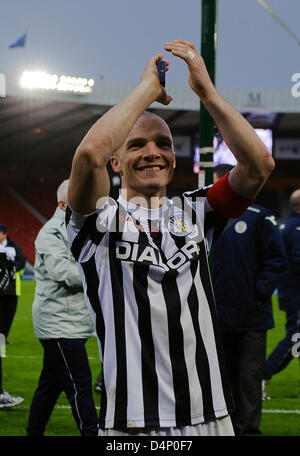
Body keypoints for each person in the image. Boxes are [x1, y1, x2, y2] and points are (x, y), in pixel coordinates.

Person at [66, 39, 275, 437]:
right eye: (137, 144)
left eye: (163, 144)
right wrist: (148, 89)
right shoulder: (97, 219)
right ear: (116, 161)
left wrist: (207, 93)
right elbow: (88, 154)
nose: (152, 152)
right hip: (133, 424)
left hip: (211, 416)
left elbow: (259, 164)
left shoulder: (196, 213)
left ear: (174, 159)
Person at [212, 164, 286, 436]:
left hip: (252, 315)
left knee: (248, 377)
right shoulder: (210, 218)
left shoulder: (259, 216)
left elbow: (276, 260)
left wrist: (258, 294)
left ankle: (249, 429)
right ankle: (228, 427)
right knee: (223, 377)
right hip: (218, 314)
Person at [26, 180, 98, 436]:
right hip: (59, 324)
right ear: (62, 204)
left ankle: (33, 433)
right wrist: (98, 272)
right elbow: (65, 274)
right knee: (80, 385)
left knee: (49, 387)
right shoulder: (52, 233)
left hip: (70, 322)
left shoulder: (79, 227)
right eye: (79, 198)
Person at [263, 189, 300, 394]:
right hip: (296, 295)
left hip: (290, 292)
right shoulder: (296, 229)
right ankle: (263, 374)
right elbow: (297, 261)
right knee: (295, 339)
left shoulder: (290, 226)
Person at [0, 241, 24, 408]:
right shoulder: (3, 252)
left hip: (6, 302)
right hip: (3, 302)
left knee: (0, 347)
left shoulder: (4, 251)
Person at [0, 224, 26, 342]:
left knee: (9, 314)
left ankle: (3, 337)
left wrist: (8, 268)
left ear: (4, 234)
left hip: (12, 288)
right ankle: (1, 341)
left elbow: (21, 261)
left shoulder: (14, 247)